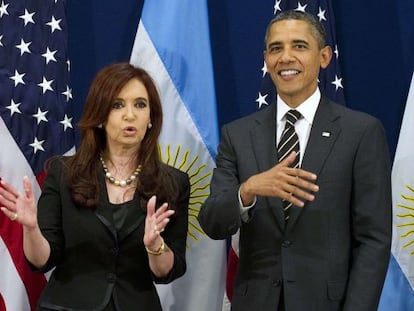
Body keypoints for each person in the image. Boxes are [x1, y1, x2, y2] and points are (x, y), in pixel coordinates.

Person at [198, 10, 391, 311]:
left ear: (324, 56)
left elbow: (373, 240)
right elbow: (212, 222)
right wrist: (247, 190)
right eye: (276, 48)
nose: (286, 57)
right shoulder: (238, 134)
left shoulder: (361, 132)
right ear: (266, 59)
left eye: (299, 46)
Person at [0, 63, 190, 311]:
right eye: (117, 105)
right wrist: (31, 229)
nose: (130, 115)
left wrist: (155, 247)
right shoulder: (64, 173)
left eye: (140, 105)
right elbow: (42, 260)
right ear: (100, 117)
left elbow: (167, 272)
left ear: (151, 119)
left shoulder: (173, 183)